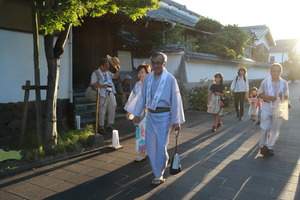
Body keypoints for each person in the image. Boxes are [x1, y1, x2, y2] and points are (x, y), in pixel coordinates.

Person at [132, 52, 185, 186]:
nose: (155, 65)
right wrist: (136, 114)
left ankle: (158, 174)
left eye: (158, 62)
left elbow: (176, 100)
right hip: (150, 115)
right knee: (150, 145)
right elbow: (142, 97)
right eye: (153, 62)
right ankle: (158, 168)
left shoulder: (170, 79)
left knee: (161, 146)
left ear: (164, 64)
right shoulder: (148, 78)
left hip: (164, 116)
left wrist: (176, 120)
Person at [258, 63, 289, 156]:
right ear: (270, 72)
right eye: (274, 71)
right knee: (265, 126)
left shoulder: (284, 83)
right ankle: (263, 145)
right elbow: (259, 94)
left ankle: (270, 147)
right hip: (267, 105)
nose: (276, 73)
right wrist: (269, 97)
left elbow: (287, 96)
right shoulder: (265, 82)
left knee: (275, 129)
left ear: (281, 72)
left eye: (278, 71)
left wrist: (282, 96)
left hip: (279, 106)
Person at [124, 64, 151, 162]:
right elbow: (132, 98)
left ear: (148, 72)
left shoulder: (152, 83)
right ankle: (142, 153)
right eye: (139, 73)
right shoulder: (137, 84)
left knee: (152, 133)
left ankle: (153, 152)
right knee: (141, 131)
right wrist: (129, 111)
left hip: (151, 112)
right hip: (140, 112)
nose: (140, 74)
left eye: (142, 72)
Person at [91, 57, 120, 134]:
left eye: (108, 65)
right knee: (102, 109)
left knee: (113, 107)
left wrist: (118, 69)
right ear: (101, 66)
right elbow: (93, 83)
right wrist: (102, 86)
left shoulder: (108, 72)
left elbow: (115, 77)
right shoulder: (96, 73)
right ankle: (101, 126)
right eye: (106, 65)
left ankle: (108, 124)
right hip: (102, 93)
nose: (107, 67)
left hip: (110, 92)